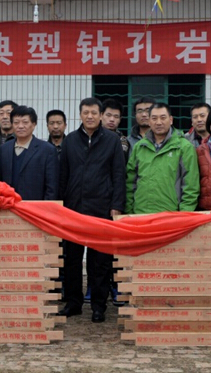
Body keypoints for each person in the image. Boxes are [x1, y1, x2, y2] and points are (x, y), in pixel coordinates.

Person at [58, 97, 126, 324]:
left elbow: (118, 174)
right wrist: (61, 206)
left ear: (101, 115)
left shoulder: (112, 141)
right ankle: (73, 302)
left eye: (94, 113)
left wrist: (117, 205)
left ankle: (99, 306)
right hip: (73, 209)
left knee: (100, 261)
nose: (89, 116)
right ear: (80, 115)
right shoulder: (70, 140)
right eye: (85, 112)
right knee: (72, 258)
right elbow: (63, 175)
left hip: (101, 208)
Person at [126, 102, 200, 213]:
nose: (158, 122)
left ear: (171, 120)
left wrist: (184, 213)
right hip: (140, 213)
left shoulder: (184, 147)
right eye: (154, 118)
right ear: (149, 121)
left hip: (171, 214)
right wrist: (129, 211)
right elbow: (130, 182)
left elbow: (191, 185)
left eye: (163, 118)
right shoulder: (140, 147)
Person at [0, 105, 59, 201]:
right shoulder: (4, 149)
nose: (20, 126)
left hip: (35, 206)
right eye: (16, 122)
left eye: (25, 122)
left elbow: (52, 187)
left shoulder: (47, 150)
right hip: (8, 205)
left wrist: (45, 207)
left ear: (34, 124)